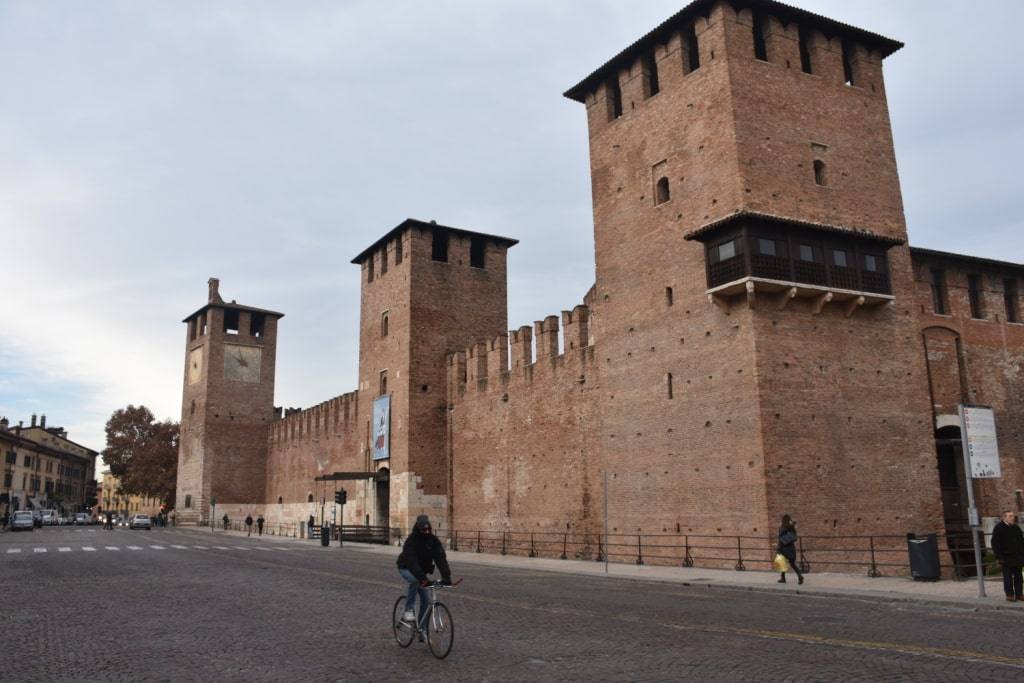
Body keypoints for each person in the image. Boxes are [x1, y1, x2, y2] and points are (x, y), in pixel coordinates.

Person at [397, 515, 452, 638]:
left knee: (426, 602)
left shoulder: (433, 540)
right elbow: (412, 562)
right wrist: (423, 579)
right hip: (406, 568)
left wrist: (446, 576)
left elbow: (440, 558)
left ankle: (421, 630)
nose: (427, 532)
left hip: (420, 572)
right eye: (424, 530)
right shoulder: (411, 541)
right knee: (415, 581)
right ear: (418, 529)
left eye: (428, 530)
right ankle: (408, 610)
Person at [991, 510, 1024, 602]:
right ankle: (1009, 594)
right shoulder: (999, 528)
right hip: (1006, 557)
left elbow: (1021, 541)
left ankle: (1019, 594)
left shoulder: (1016, 528)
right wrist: (999, 557)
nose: (1012, 518)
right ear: (1004, 517)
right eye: (1010, 516)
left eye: (1013, 516)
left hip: (1018, 557)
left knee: (1019, 577)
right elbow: (995, 543)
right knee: (1008, 577)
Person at [777, 514, 804, 585]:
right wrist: (792, 524)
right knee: (792, 564)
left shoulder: (781, 528)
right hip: (791, 548)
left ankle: (783, 578)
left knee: (782, 563)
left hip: (783, 548)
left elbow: (780, 539)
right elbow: (795, 536)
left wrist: (778, 549)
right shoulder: (791, 527)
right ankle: (800, 576)